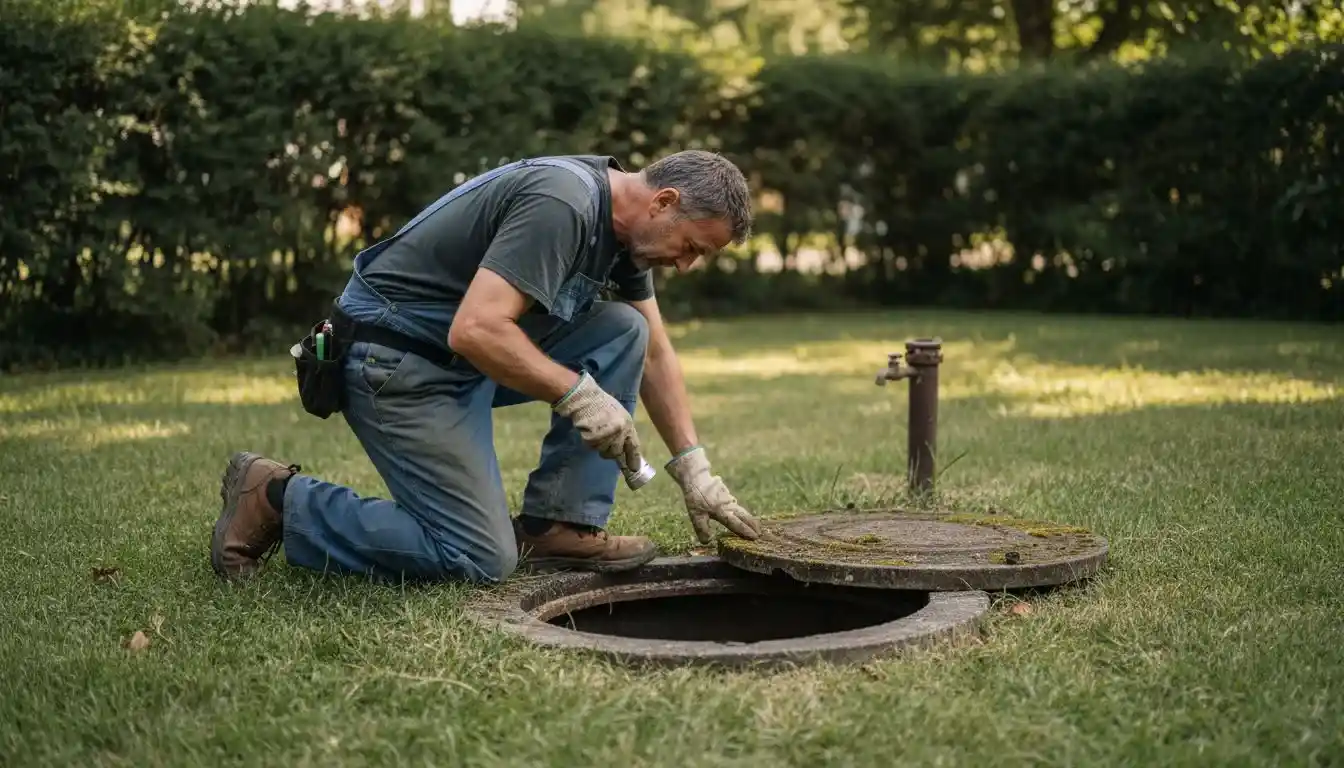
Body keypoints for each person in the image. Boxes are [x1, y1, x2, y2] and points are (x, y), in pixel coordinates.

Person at [209, 150, 764, 584]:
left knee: (625, 328)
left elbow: (655, 350)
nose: (687, 265)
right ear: (663, 202)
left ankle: (558, 526)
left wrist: (694, 468)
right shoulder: (564, 202)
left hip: (458, 360)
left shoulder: (625, 234)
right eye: (692, 247)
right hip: (396, 364)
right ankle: (277, 496)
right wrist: (580, 396)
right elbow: (475, 328)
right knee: (477, 556)